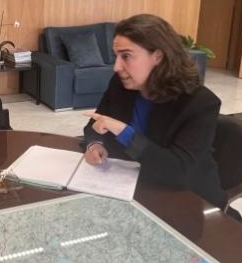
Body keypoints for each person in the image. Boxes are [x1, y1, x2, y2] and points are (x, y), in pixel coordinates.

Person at [83, 14, 226, 208]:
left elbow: (176, 171)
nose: (116, 67)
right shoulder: (121, 85)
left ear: (158, 56)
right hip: (132, 187)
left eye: (126, 56)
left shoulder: (200, 104)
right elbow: (96, 123)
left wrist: (124, 132)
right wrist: (95, 144)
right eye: (116, 56)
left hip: (189, 201)